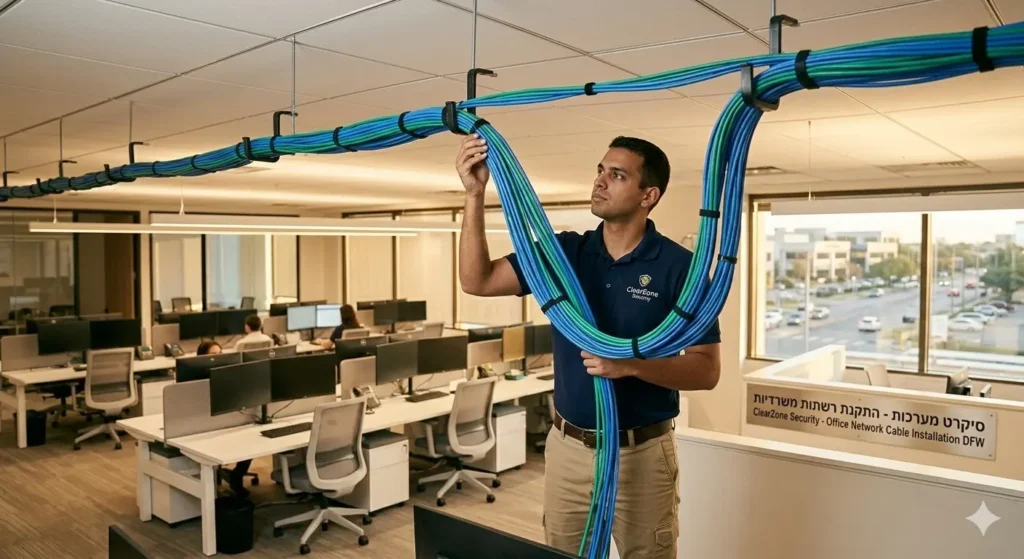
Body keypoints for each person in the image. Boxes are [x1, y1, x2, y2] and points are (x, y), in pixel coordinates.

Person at [456, 134, 721, 558]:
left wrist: (630, 363)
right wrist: (474, 195)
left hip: (642, 455)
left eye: (617, 175)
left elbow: (706, 370)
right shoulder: (565, 252)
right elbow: (477, 280)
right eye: (600, 170)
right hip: (568, 450)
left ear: (647, 196)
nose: (600, 181)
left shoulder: (680, 268)